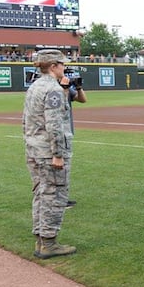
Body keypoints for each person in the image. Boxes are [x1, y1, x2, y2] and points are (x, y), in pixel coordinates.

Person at [24, 49, 76, 259]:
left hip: (34, 148)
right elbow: (54, 124)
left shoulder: (35, 86)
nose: (65, 67)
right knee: (54, 195)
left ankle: (40, 238)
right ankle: (49, 242)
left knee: (41, 193)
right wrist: (58, 154)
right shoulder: (52, 89)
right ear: (53, 65)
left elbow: (26, 121)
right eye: (62, 64)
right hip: (48, 151)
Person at [60, 67, 87, 209]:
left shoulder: (65, 87)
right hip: (58, 134)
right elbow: (60, 105)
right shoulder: (54, 88)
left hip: (66, 132)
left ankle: (62, 199)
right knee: (59, 169)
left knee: (64, 170)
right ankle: (58, 201)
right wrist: (64, 88)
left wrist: (79, 87)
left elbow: (83, 100)